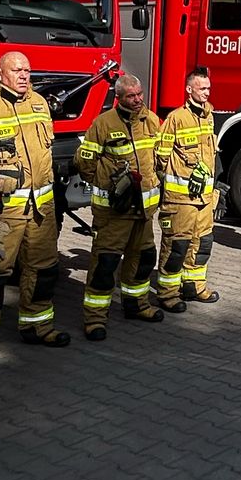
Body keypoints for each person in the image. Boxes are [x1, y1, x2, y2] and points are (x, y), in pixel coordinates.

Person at [0, 50, 68, 361]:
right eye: (16, 70)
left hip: (42, 209)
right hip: (2, 210)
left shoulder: (39, 103)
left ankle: (37, 325)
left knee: (43, 269)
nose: (23, 76)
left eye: (27, 71)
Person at [75, 73, 164, 336]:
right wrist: (107, 184)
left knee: (143, 258)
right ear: (119, 98)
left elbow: (160, 158)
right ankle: (94, 318)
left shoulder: (151, 120)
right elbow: (85, 163)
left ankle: (137, 304)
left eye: (140, 94)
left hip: (144, 211)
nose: (137, 100)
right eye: (131, 96)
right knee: (105, 263)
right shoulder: (103, 123)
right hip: (114, 212)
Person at [156, 66, 221, 307]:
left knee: (202, 244)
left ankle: (194, 286)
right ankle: (168, 294)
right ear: (188, 89)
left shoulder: (209, 115)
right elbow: (161, 157)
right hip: (180, 201)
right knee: (176, 247)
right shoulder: (176, 118)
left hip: (204, 199)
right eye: (202, 88)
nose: (206, 92)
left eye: (208, 88)